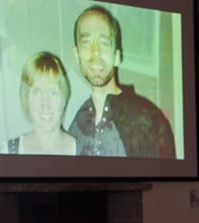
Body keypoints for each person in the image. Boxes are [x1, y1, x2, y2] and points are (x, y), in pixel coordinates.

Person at [68, 5, 175, 158]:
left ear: (117, 56)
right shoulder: (76, 124)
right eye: (86, 41)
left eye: (104, 43)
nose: (95, 51)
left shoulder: (148, 119)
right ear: (77, 54)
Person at [7, 52, 76, 156]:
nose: (45, 104)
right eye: (36, 92)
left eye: (53, 93)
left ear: (63, 98)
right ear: (26, 98)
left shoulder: (83, 149)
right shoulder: (9, 151)